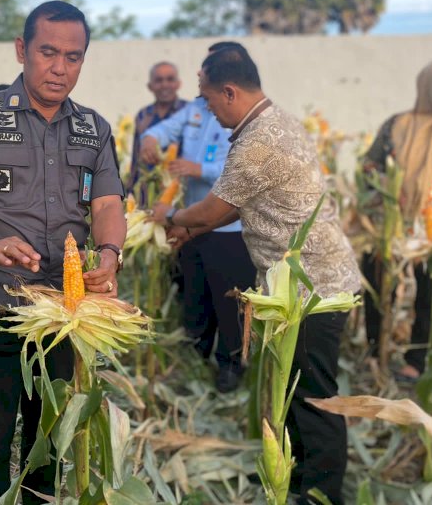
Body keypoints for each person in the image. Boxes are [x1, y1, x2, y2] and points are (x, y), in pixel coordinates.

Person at [0, 1, 125, 505]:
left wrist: (110, 255)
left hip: (61, 309)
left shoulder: (92, 129)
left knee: (48, 437)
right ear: (21, 50)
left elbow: (108, 201)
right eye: (48, 53)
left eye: (73, 57)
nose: (59, 68)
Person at [152, 47, 360, 505]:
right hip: (301, 284)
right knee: (291, 388)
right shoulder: (271, 123)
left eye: (208, 100)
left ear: (229, 91)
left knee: (313, 395)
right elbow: (237, 206)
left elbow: (216, 207)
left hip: (312, 290)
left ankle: (323, 492)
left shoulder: (259, 141)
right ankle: (295, 476)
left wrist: (171, 216)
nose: (207, 109)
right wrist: (189, 233)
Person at [139, 42, 256, 393]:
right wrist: (149, 137)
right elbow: (165, 129)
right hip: (191, 223)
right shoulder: (195, 109)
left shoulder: (246, 117)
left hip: (229, 229)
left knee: (230, 301)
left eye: (206, 70)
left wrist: (198, 168)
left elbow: (242, 170)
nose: (199, 76)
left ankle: (231, 366)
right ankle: (195, 359)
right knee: (196, 296)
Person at [361, 59, 432, 381]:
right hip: (387, 223)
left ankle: (416, 359)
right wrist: (388, 189)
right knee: (378, 286)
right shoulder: (396, 124)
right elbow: (369, 166)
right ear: (428, 87)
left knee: (429, 292)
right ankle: (374, 350)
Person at [127, 61, 187, 202]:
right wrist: (129, 191)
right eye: (159, 80)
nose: (164, 85)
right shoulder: (143, 115)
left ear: (178, 84)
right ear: (150, 86)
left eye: (170, 79)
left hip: (180, 194)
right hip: (147, 192)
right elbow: (136, 158)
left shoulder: (189, 112)